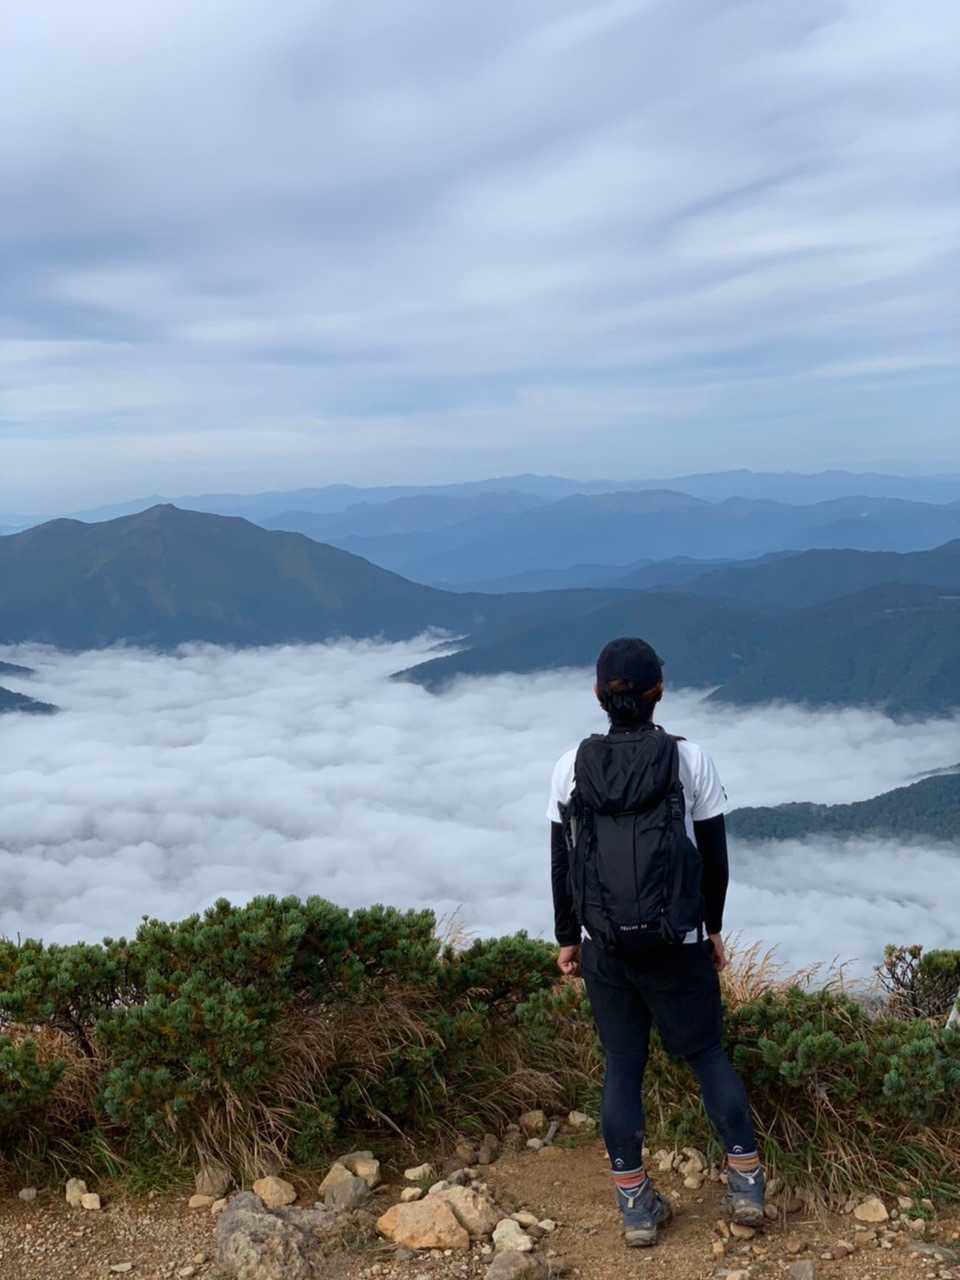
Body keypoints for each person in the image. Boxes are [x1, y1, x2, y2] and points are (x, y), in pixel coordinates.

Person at [547, 636, 764, 1249]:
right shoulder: (690, 760)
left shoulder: (570, 766)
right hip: (677, 941)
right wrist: (711, 928)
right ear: (658, 693)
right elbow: (714, 859)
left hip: (605, 945)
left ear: (598, 694)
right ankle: (746, 1182)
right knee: (707, 1055)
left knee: (623, 1066)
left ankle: (636, 1205)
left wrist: (568, 937)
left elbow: (562, 862)